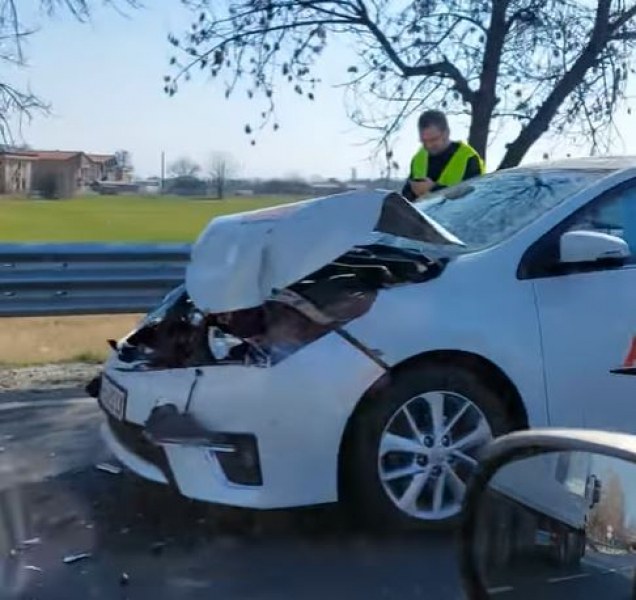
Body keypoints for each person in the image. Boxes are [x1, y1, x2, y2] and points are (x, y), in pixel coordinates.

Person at [401, 110, 485, 201]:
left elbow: (474, 199)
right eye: (424, 141)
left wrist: (433, 189)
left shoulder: (469, 158)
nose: (429, 145)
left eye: (433, 140)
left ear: (446, 133)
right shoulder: (419, 158)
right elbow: (405, 197)